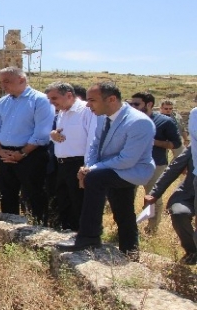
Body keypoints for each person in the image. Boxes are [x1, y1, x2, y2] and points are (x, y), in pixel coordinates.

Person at [56, 82, 155, 260]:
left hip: (132, 170)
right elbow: (94, 145)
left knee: (96, 180)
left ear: (111, 99)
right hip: (111, 168)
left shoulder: (139, 122)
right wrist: (88, 167)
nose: (87, 105)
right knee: (123, 210)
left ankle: (89, 236)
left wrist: (91, 171)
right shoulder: (103, 116)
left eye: (92, 100)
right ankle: (130, 251)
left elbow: (127, 160)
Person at [0, 67, 54, 222]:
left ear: (22, 80)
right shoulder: (2, 102)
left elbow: (42, 132)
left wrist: (23, 153)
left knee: (34, 194)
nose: (3, 85)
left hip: (32, 155)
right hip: (5, 154)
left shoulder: (41, 100)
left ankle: (38, 226)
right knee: (7, 194)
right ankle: (9, 228)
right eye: (1, 81)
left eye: (7, 81)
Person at [47, 82, 96, 231]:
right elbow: (62, 136)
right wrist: (53, 135)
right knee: (64, 202)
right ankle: (67, 233)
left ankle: (82, 237)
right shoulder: (62, 112)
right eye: (49, 99)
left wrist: (87, 167)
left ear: (69, 95)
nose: (51, 102)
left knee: (79, 203)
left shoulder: (86, 111)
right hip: (61, 165)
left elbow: (92, 141)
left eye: (54, 98)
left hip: (79, 164)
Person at [130, 92, 181, 234]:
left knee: (153, 199)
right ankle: (127, 228)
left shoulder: (165, 121)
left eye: (136, 104)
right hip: (131, 165)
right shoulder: (129, 120)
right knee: (125, 197)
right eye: (131, 104)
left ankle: (151, 229)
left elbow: (175, 144)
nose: (133, 107)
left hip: (156, 165)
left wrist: (153, 142)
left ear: (149, 104)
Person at [145, 147, 197, 265]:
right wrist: (155, 193)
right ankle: (192, 251)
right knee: (179, 213)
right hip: (188, 195)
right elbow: (173, 169)